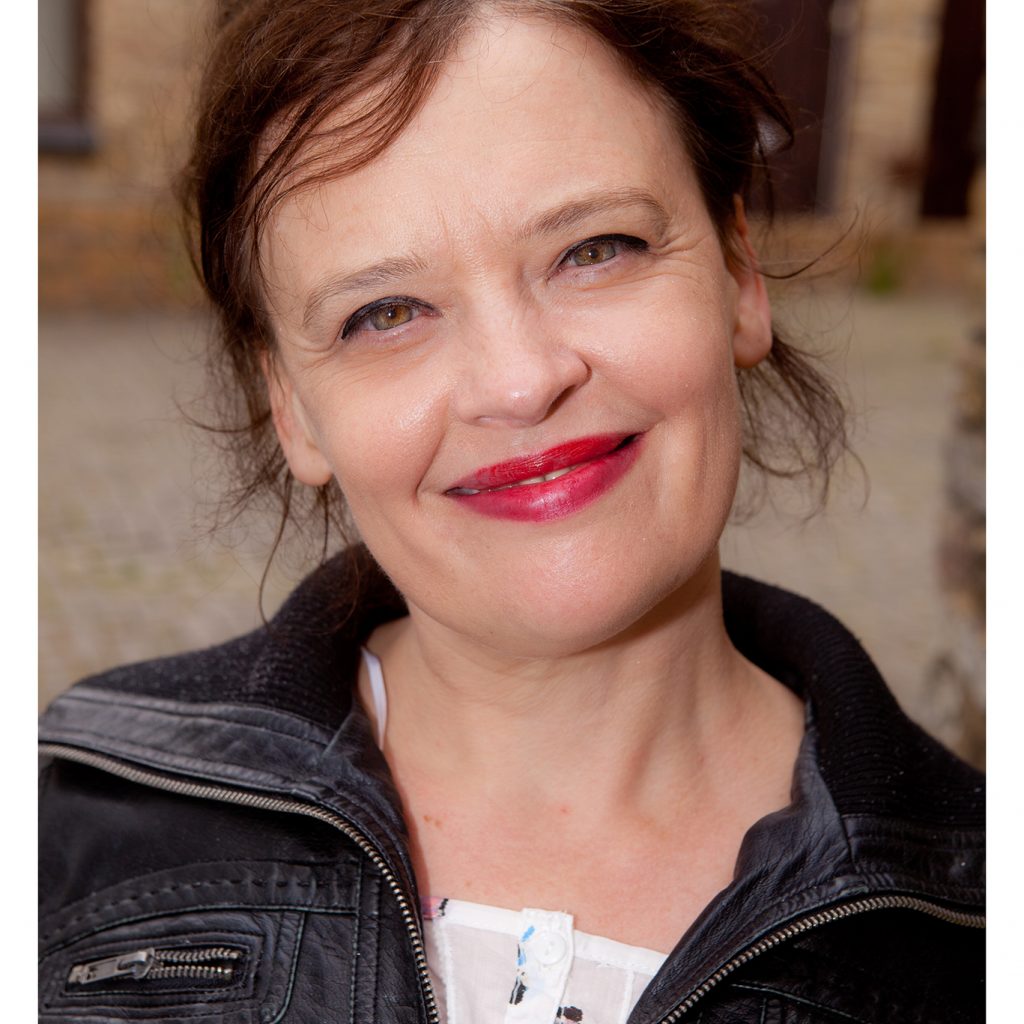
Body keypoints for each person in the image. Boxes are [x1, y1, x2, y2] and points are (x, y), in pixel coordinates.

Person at [39, 2, 984, 1022]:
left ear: (737, 272)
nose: (521, 380)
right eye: (384, 313)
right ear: (291, 408)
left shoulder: (975, 923)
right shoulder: (75, 824)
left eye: (596, 249)